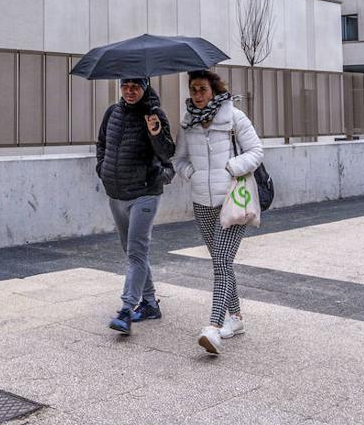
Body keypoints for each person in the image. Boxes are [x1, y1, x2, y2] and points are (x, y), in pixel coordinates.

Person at [172, 70, 263, 355]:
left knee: (222, 260)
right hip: (202, 202)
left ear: (213, 90)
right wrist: (193, 173)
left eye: (202, 89)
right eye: (193, 89)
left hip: (232, 199)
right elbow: (179, 159)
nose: (198, 94)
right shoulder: (187, 123)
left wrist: (230, 169)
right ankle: (235, 319)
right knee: (221, 262)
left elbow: (257, 152)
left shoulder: (234, 117)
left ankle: (213, 328)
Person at [96, 77, 176, 335]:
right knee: (132, 252)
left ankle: (126, 309)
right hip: (116, 194)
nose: (130, 91)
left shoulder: (155, 114)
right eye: (125, 86)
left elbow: (167, 154)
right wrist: (102, 169)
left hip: (144, 193)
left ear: (145, 87)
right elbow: (102, 145)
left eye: (135, 86)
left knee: (137, 253)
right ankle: (151, 303)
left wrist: (155, 132)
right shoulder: (112, 112)